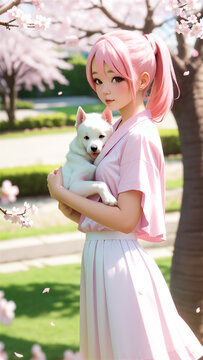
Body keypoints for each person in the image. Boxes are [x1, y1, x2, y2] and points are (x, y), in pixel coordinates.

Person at [47, 30, 203, 360]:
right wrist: (72, 208)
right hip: (100, 256)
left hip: (119, 261)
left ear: (143, 79)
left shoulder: (140, 136)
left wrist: (61, 192)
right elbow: (106, 207)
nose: (104, 89)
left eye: (116, 78)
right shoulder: (117, 128)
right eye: (98, 79)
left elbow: (126, 219)